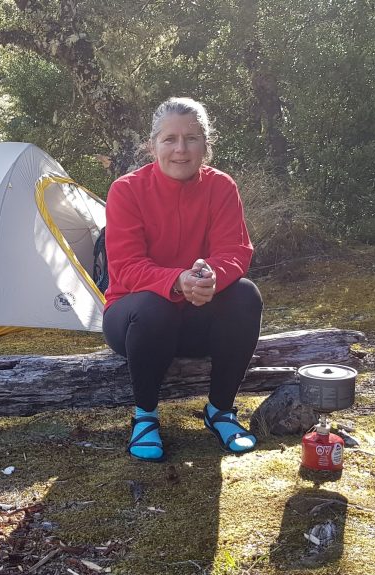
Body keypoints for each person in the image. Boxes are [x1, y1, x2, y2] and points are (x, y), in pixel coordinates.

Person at [102, 97, 263, 462]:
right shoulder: (126, 190)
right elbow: (125, 266)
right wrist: (177, 280)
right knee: (154, 306)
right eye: (170, 139)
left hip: (195, 318)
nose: (181, 149)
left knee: (244, 295)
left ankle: (220, 411)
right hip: (132, 322)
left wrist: (211, 277)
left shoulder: (221, 187)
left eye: (191, 138)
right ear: (152, 145)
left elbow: (236, 251)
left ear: (206, 144)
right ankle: (145, 417)